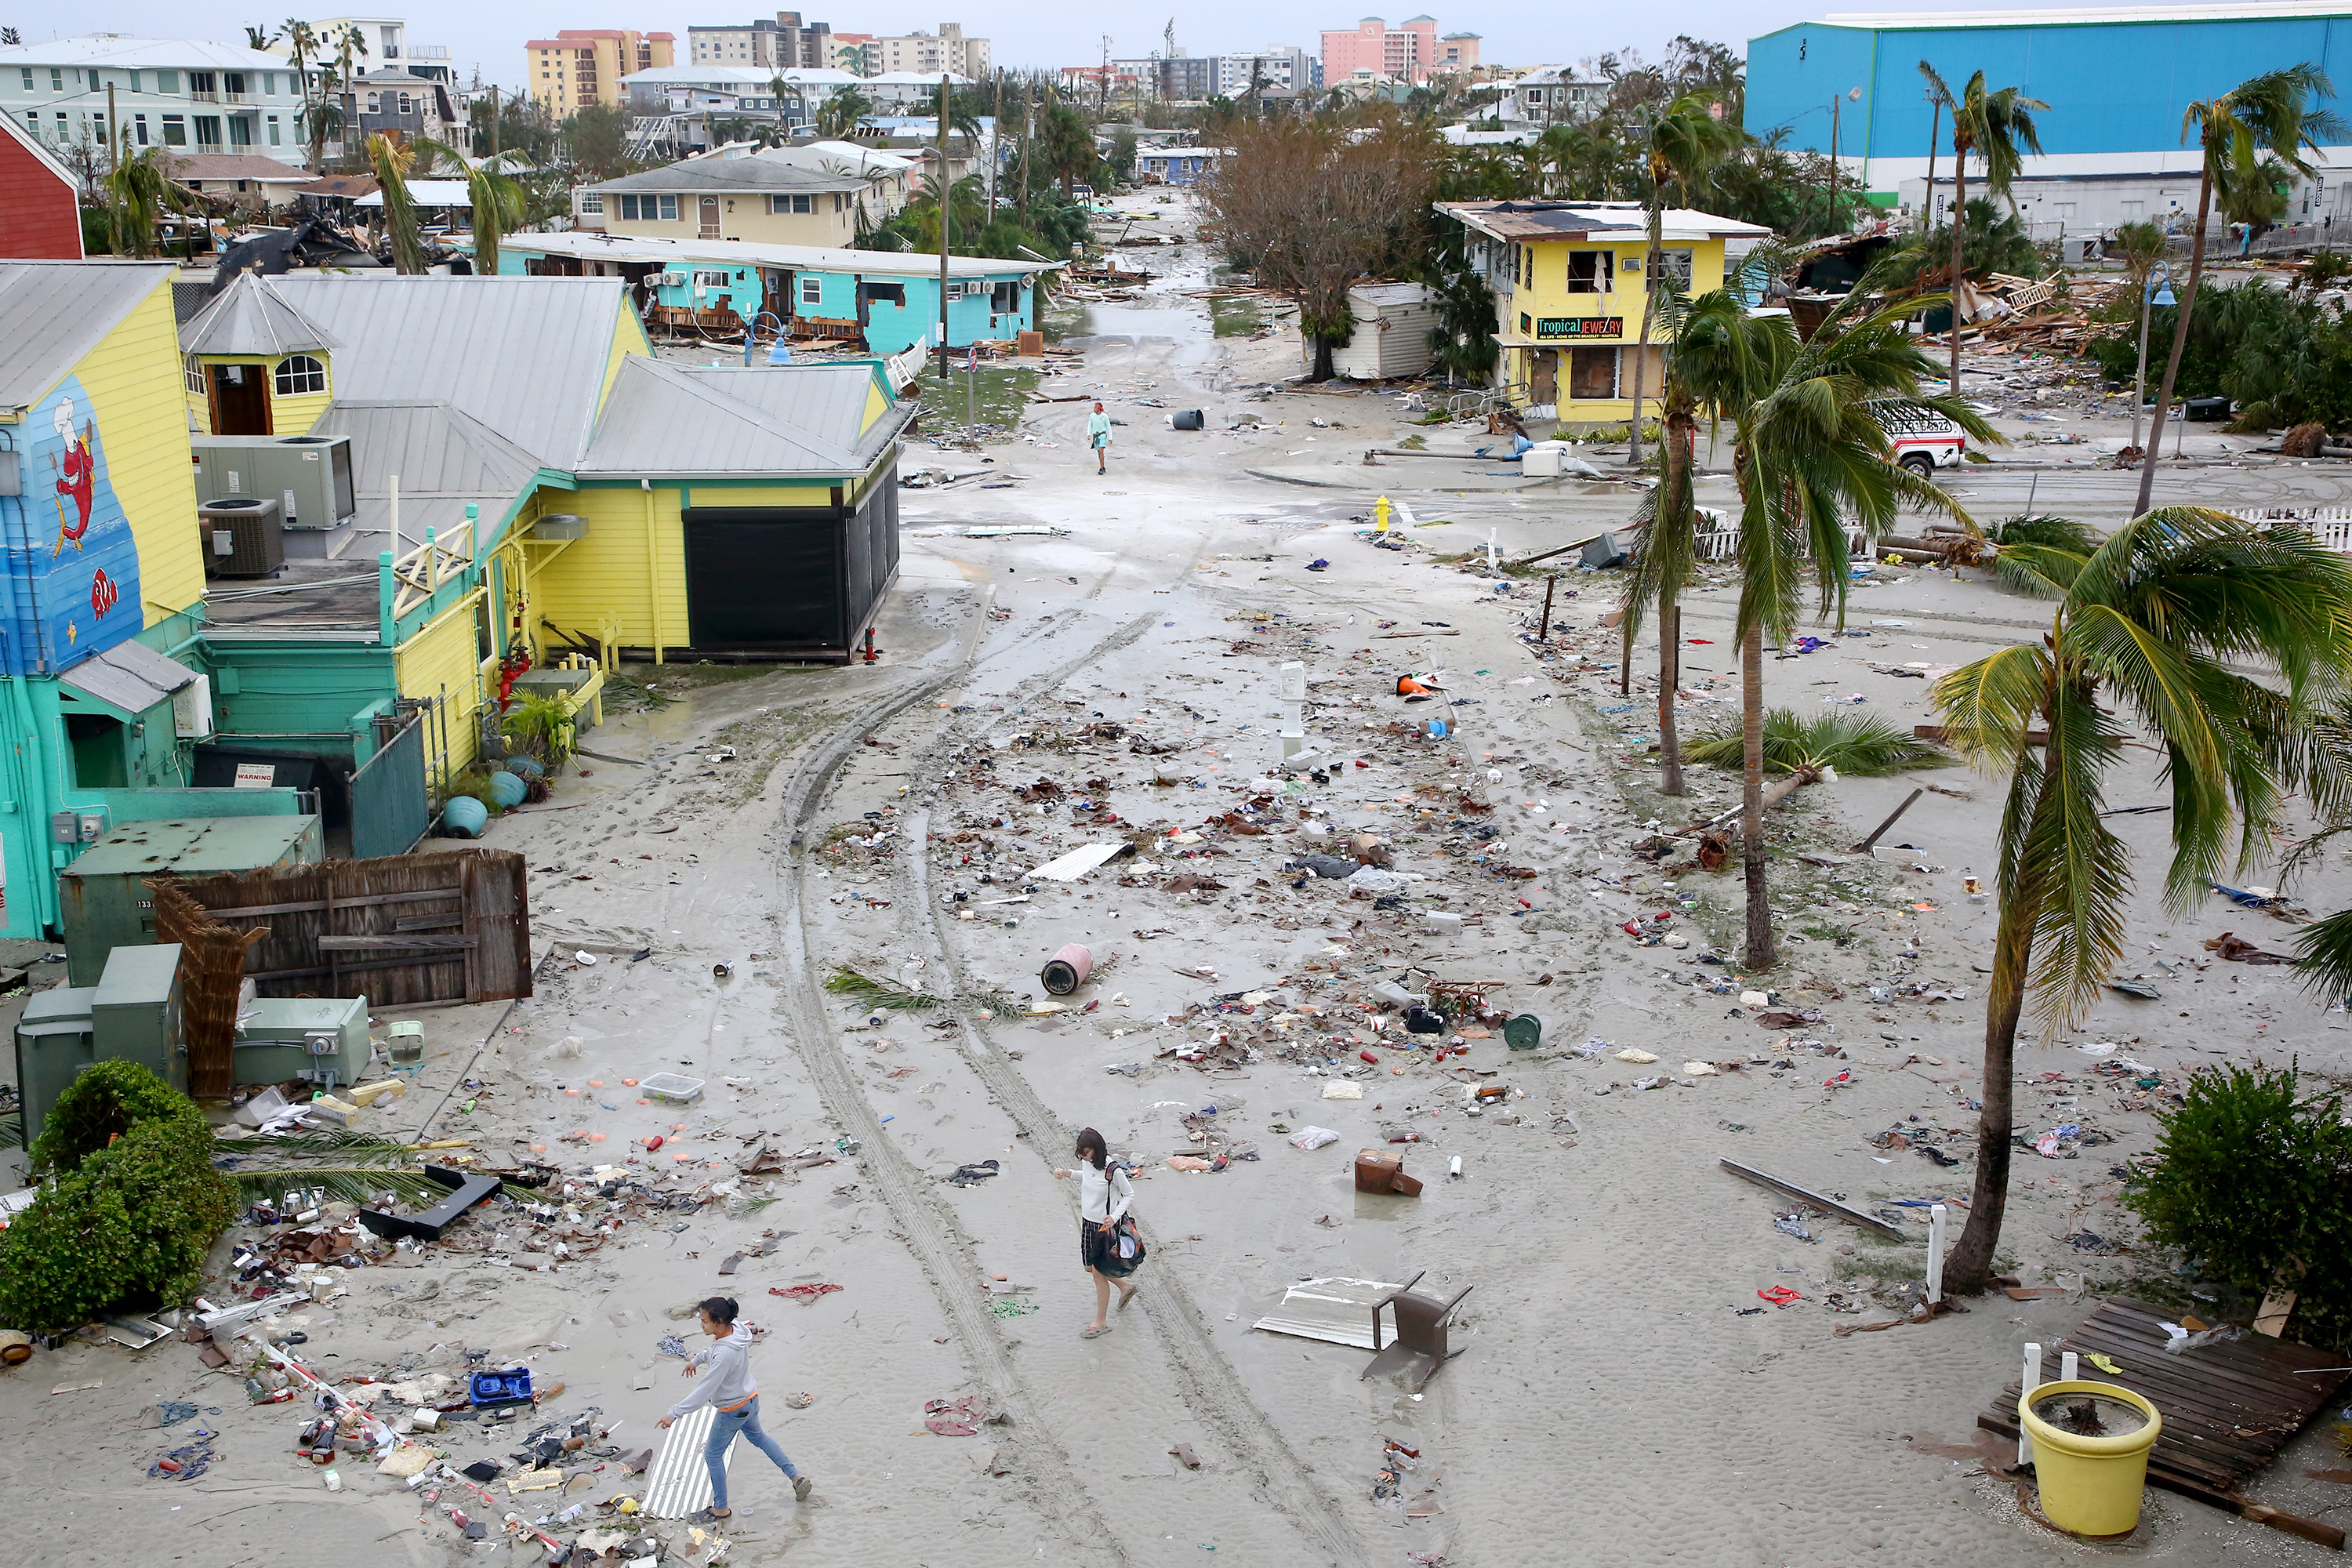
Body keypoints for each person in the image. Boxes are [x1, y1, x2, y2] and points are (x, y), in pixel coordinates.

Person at [656, 1296, 811, 1521]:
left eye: (705, 1321)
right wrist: (696, 1360)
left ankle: (720, 1509)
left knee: (712, 1455)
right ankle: (796, 1477)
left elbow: (704, 1390)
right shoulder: (736, 1330)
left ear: (719, 1322)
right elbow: (716, 1350)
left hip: (732, 1410)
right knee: (760, 1438)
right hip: (750, 1399)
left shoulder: (724, 1355)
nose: (701, 1325)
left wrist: (673, 1414)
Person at [1053, 1127, 1139, 1338]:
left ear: (1097, 1149)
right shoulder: (1088, 1163)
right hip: (1088, 1224)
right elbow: (1088, 1177)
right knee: (1090, 1268)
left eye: (1086, 1151)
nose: (1082, 1155)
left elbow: (1129, 1194)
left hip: (1105, 1227)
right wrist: (1068, 1174)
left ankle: (1100, 1322)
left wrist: (1114, 1217)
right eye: (1080, 1152)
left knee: (1099, 1274)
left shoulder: (1113, 1170)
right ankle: (1125, 1286)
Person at [1087, 402, 1112, 474]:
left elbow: (1108, 427)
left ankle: (1101, 468)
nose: (1094, 409)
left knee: (1101, 450)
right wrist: (1089, 434)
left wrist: (1110, 437)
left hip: (1103, 435)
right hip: (1096, 436)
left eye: (1095, 408)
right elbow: (1090, 425)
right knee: (1098, 451)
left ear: (1099, 409)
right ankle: (1103, 466)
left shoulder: (1104, 416)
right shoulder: (1092, 416)